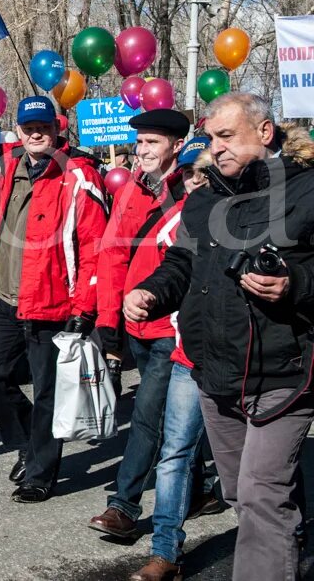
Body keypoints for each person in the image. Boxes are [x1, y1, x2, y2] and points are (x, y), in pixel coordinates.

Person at [125, 94, 314, 581]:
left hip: (283, 373)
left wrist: (293, 284)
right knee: (239, 493)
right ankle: (289, 537)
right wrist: (150, 292)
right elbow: (182, 264)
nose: (217, 147)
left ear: (266, 132)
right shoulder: (204, 196)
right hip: (212, 371)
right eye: (211, 138)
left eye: (227, 136)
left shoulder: (307, 189)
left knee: (260, 493)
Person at [0, 95, 108, 503]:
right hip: (5, 297)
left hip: (52, 302)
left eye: (43, 128)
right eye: (28, 128)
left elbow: (95, 246)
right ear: (18, 131)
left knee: (48, 390)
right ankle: (29, 443)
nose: (36, 134)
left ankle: (41, 474)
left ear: (56, 129)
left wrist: (85, 306)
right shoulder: (6, 167)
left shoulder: (79, 175)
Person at [88, 108, 191, 539]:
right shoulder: (131, 188)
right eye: (140, 142)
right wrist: (108, 322)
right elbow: (112, 255)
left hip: (172, 327)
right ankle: (200, 491)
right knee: (169, 416)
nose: (142, 150)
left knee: (148, 414)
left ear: (176, 146)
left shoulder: (194, 191)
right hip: (136, 326)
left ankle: (124, 507)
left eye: (152, 142)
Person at [124, 137, 214, 581]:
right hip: (188, 350)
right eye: (190, 175)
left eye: (204, 173)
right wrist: (150, 293)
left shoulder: (262, 207)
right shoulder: (192, 214)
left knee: (256, 473)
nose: (195, 183)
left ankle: (278, 540)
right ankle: (166, 553)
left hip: (253, 360)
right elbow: (177, 266)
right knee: (175, 452)